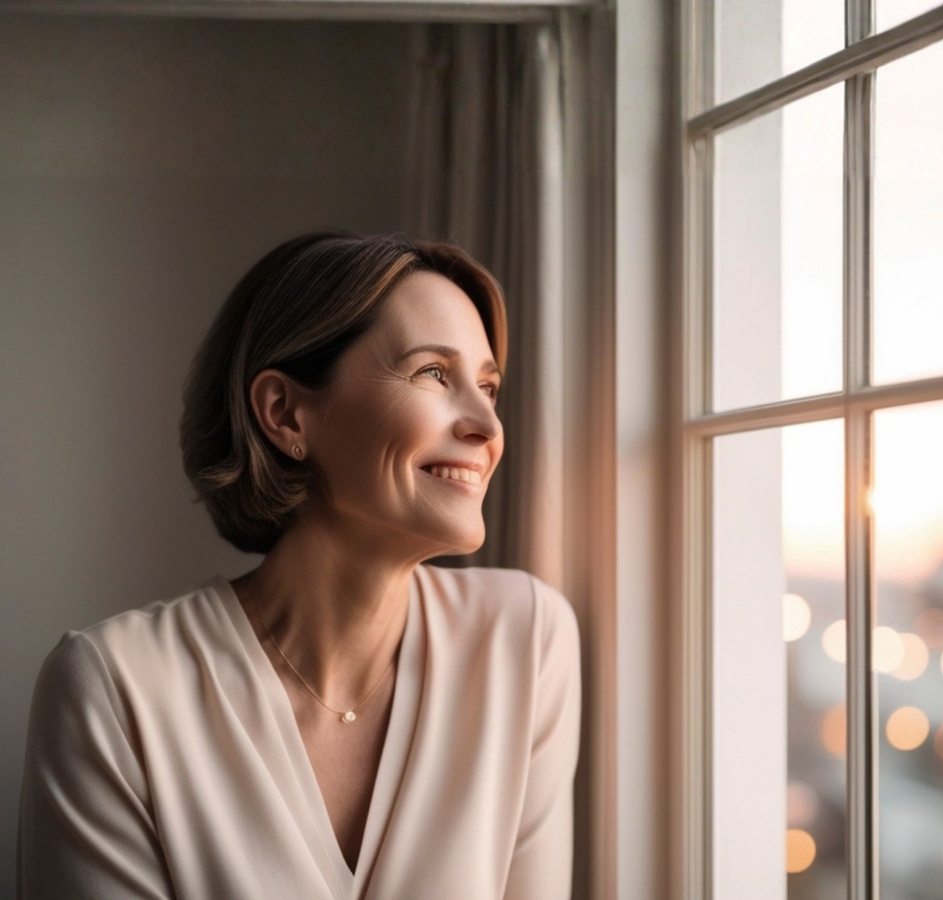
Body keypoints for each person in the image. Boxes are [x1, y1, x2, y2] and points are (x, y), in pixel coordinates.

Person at [18, 232, 581, 899]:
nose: (487, 427)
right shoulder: (113, 691)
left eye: (488, 387)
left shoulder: (526, 638)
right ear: (286, 413)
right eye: (434, 373)